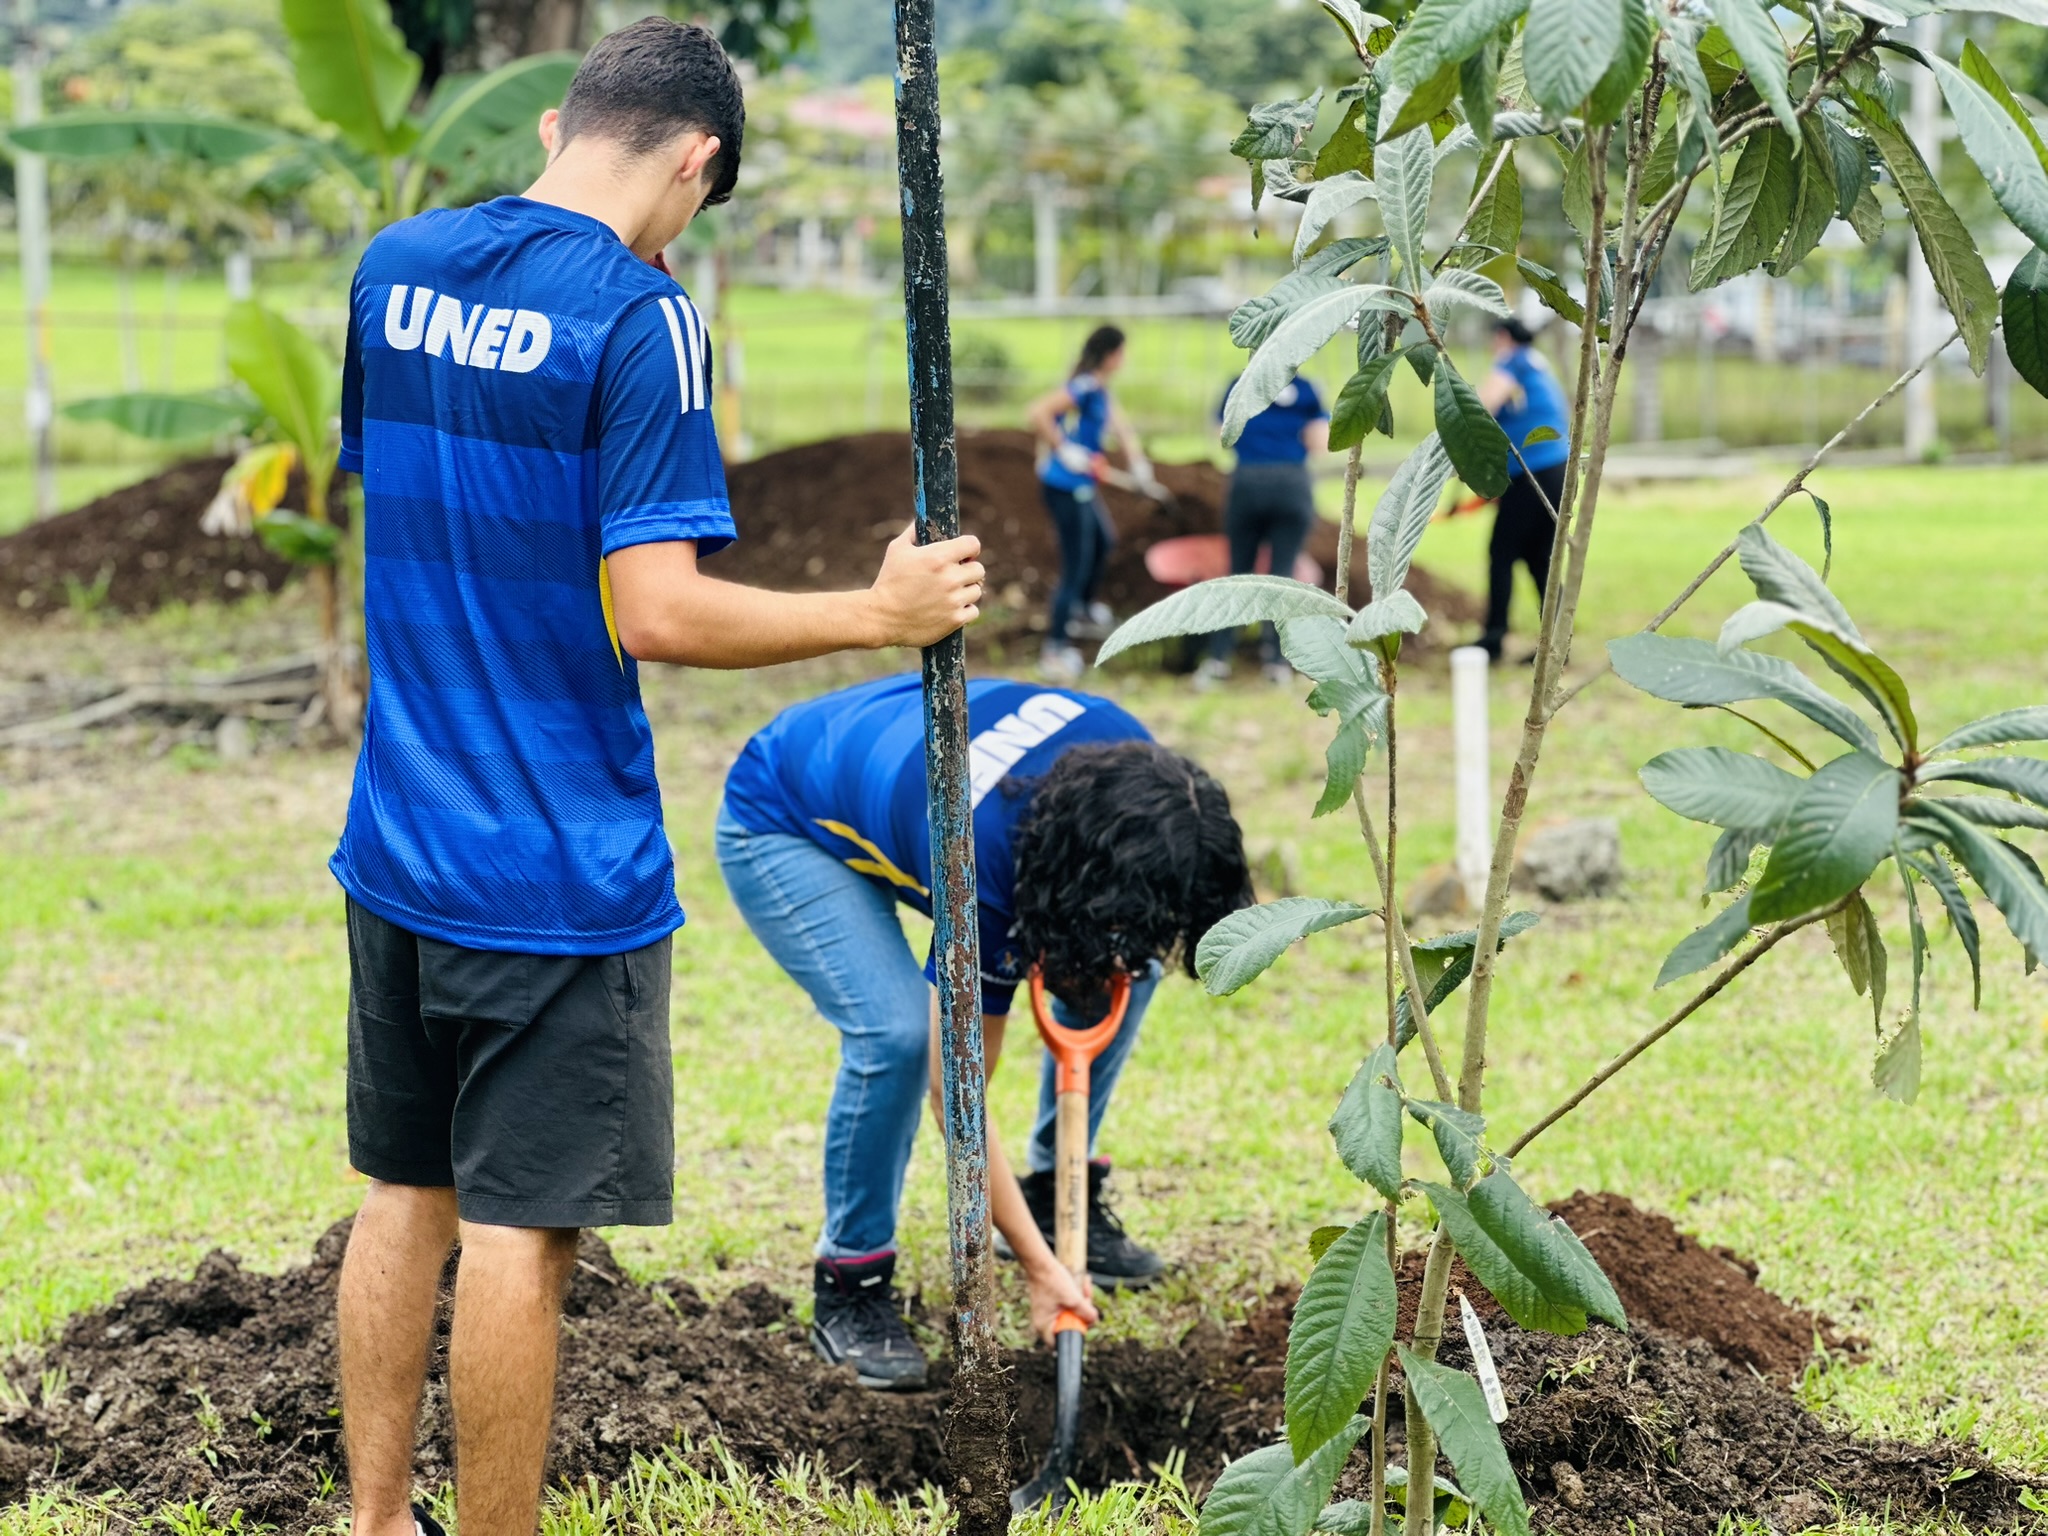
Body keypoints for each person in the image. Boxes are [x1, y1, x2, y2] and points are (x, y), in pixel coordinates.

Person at [330, 22, 984, 1536]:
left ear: (561, 122)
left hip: (399, 842)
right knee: (518, 1239)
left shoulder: (395, 264)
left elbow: (427, 509)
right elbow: (659, 608)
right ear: (696, 160)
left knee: (402, 1191)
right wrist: (877, 616)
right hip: (554, 874)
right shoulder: (641, 318)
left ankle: (370, 1523)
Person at [717, 674, 1252, 1389]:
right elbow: (958, 1099)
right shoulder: (983, 862)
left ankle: (1052, 1191)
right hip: (785, 815)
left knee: (1126, 957)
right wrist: (1040, 1266)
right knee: (899, 1038)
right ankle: (851, 1280)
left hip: (902, 792)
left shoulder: (1139, 786)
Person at [1026, 325, 1151, 682]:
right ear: (1112, 354)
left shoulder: (1100, 388)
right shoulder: (1083, 386)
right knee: (1075, 565)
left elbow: (1121, 428)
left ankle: (1081, 609)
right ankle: (1054, 648)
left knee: (1103, 541)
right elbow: (1038, 412)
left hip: (1083, 485)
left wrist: (1138, 463)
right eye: (1122, 352)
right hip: (1064, 486)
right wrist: (1064, 449)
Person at [1196, 376, 1330, 689]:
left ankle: (1218, 659)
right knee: (1281, 578)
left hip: (1247, 482)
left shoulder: (1240, 384)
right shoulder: (1308, 389)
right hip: (1292, 485)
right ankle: (1276, 664)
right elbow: (1320, 443)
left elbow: (1220, 435)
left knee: (1239, 575)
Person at [1475, 317, 1571, 660]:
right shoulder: (1535, 363)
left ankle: (1493, 638)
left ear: (1502, 337)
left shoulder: (1512, 361)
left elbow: (1482, 407)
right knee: (1538, 557)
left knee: (1501, 553)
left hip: (1534, 471)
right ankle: (1557, 645)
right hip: (1556, 468)